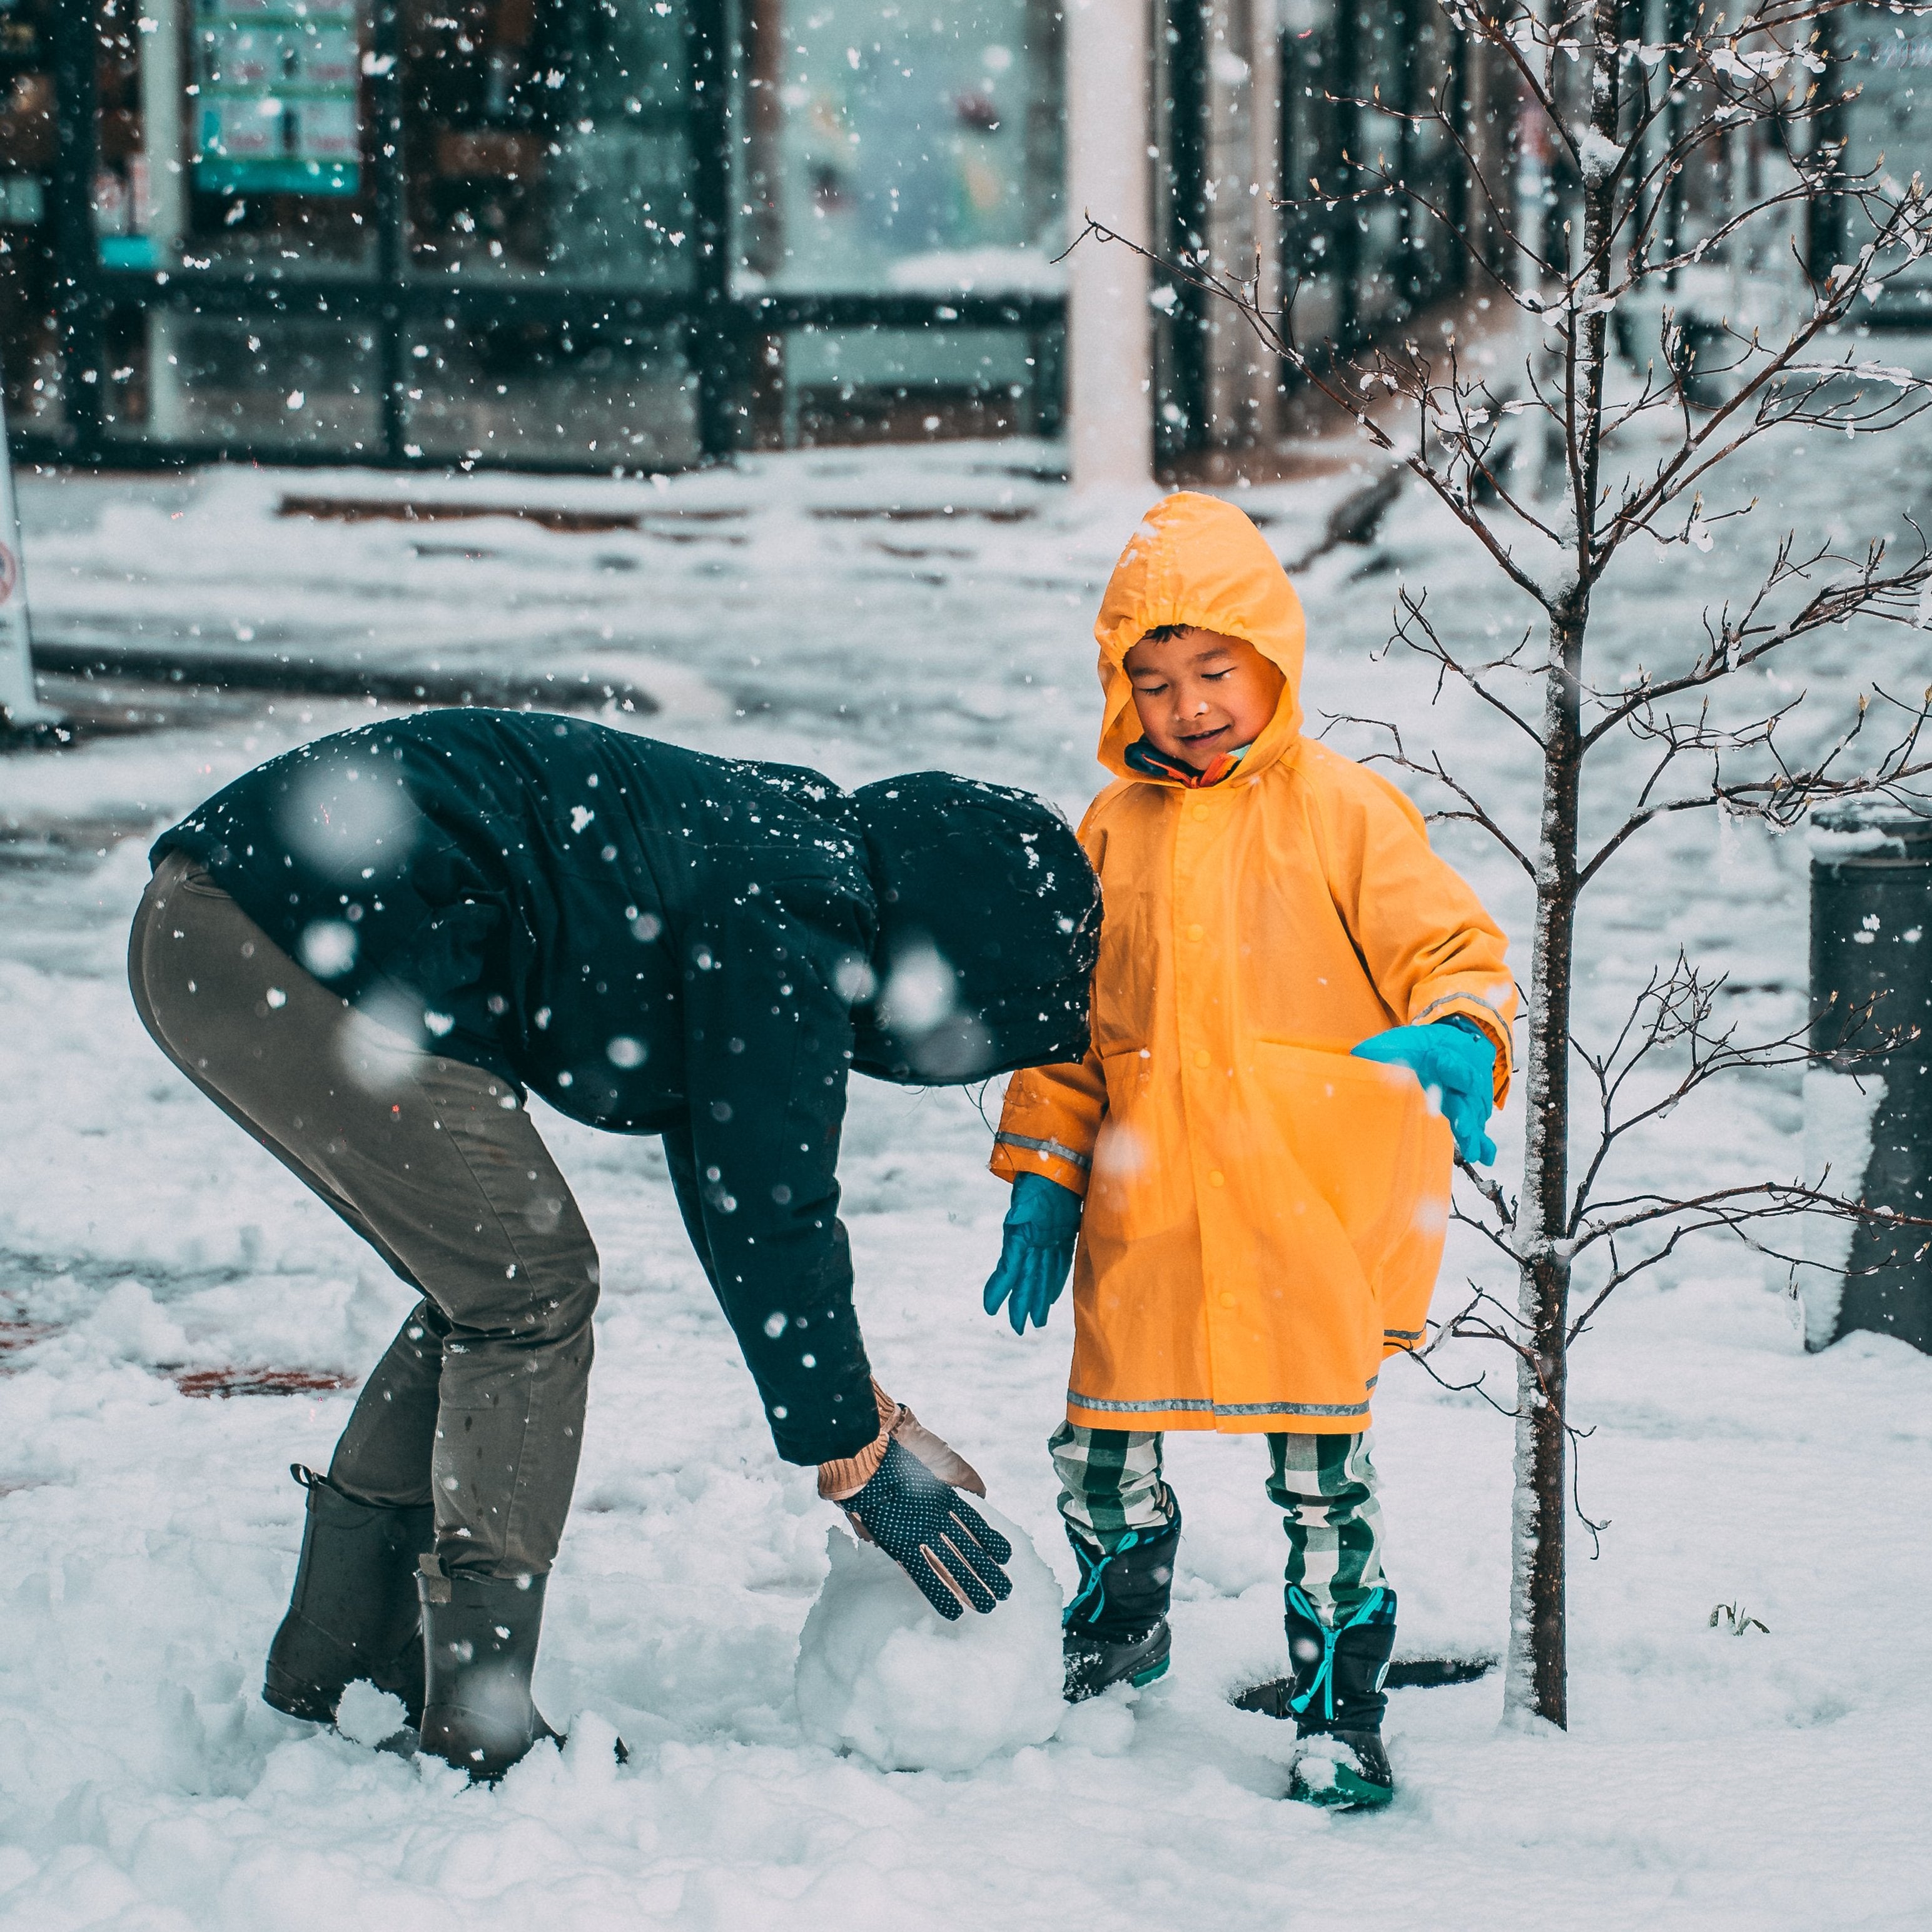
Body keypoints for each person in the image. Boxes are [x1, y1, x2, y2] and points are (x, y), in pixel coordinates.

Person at [129, 709, 1100, 1779]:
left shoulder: (783, 859)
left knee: (488, 1283)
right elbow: (770, 1204)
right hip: (276, 933)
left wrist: (854, 1421)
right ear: (953, 952)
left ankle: (342, 1660)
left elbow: (735, 1175)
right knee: (525, 1288)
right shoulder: (800, 919)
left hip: (228, 917)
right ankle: (478, 1712)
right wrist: (850, 1449)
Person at [981, 492, 1515, 1811]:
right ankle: (1119, 1624)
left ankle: (1341, 1705)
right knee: (1102, 1452)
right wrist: (1046, 1178)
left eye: (1215, 669)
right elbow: (1068, 1028)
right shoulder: (1109, 833)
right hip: (1147, 1210)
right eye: (1152, 681)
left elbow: (1449, 950)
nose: (1189, 704)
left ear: (1272, 658)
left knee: (1322, 1481)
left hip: (1301, 1211)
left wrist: (1463, 1035)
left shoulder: (1345, 812)